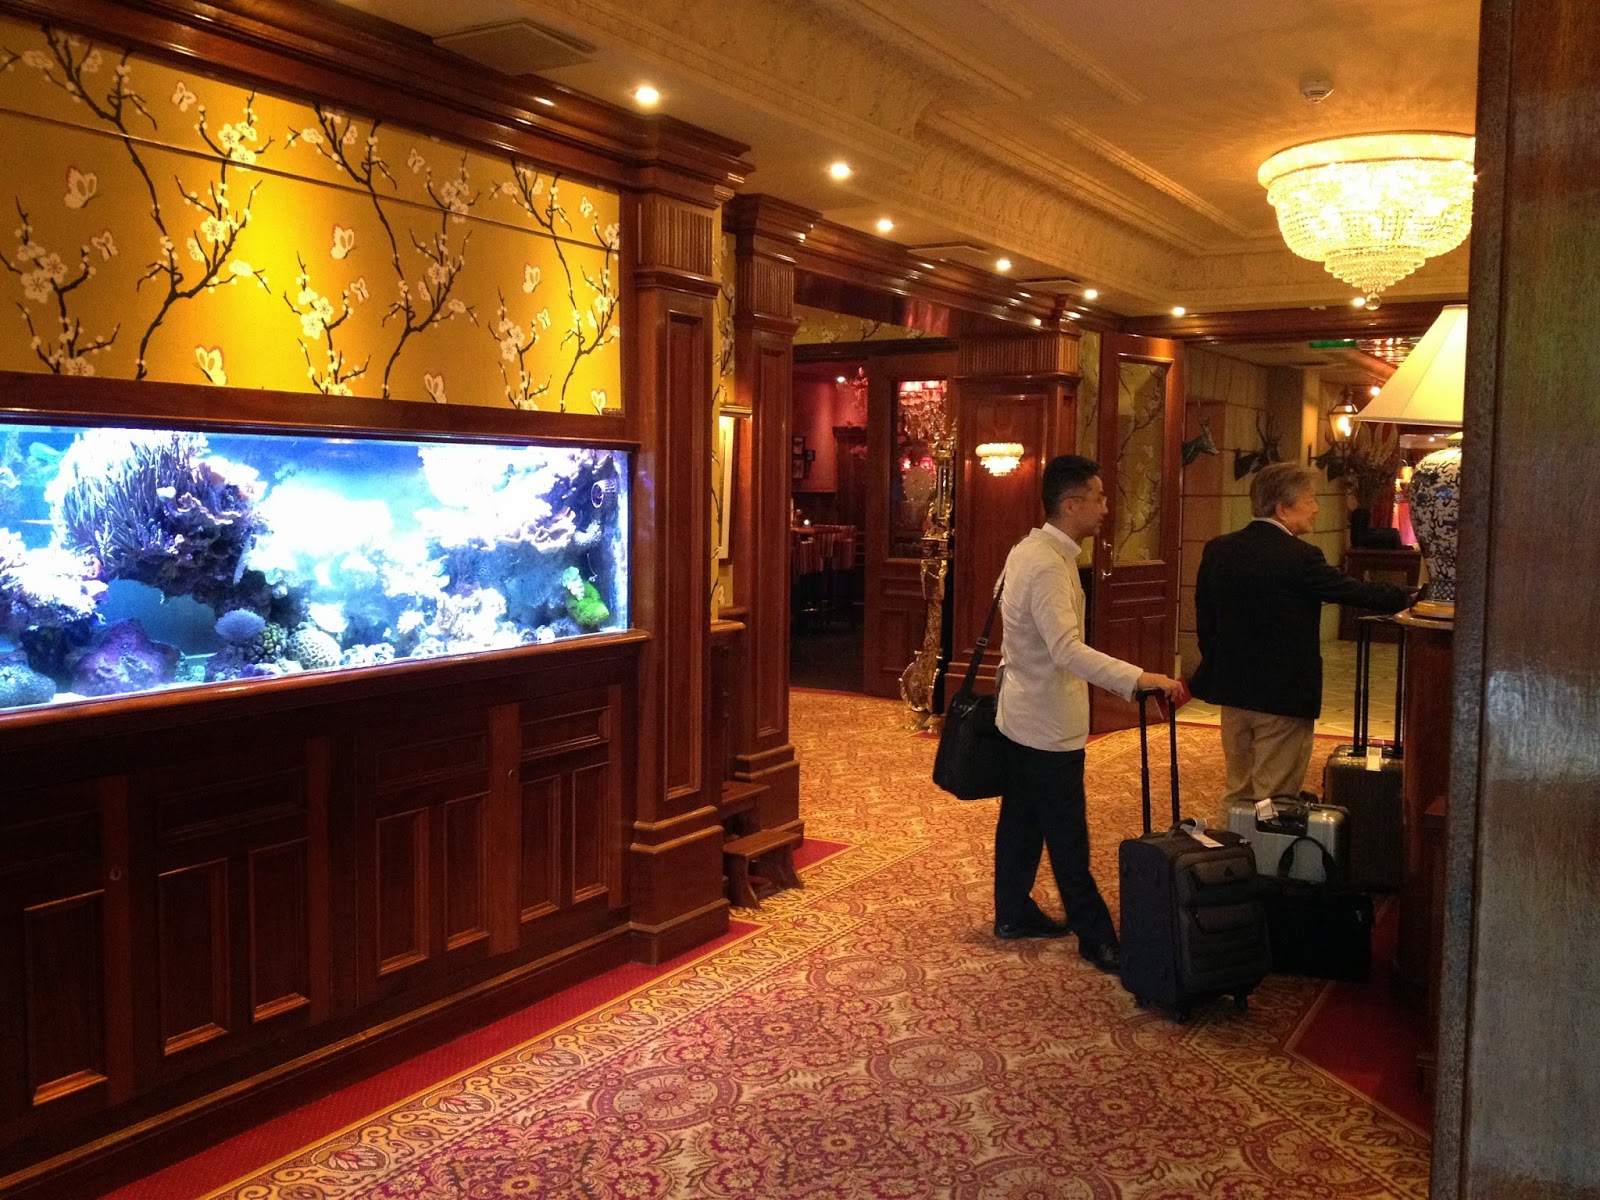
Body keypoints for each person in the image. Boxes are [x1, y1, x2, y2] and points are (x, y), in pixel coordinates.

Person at [992, 454, 1186, 973]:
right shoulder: (1047, 564)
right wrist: (1138, 677)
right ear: (1071, 504)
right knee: (1066, 834)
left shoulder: (1028, 549)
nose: (1105, 508)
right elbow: (1066, 650)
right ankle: (1095, 935)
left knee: (1022, 821)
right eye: (1098, 498)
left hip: (1021, 712)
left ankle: (1012, 913)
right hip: (1046, 720)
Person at [1190, 461, 1413, 808]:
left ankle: (1231, 842)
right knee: (1275, 797)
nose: (1316, 508)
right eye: (1310, 500)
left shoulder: (1220, 549)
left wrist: (1221, 663)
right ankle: (1261, 845)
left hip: (1232, 690)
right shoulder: (1301, 557)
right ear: (1282, 508)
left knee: (1238, 789)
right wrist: (1411, 596)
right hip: (1282, 695)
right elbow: (1353, 591)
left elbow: (1206, 618)